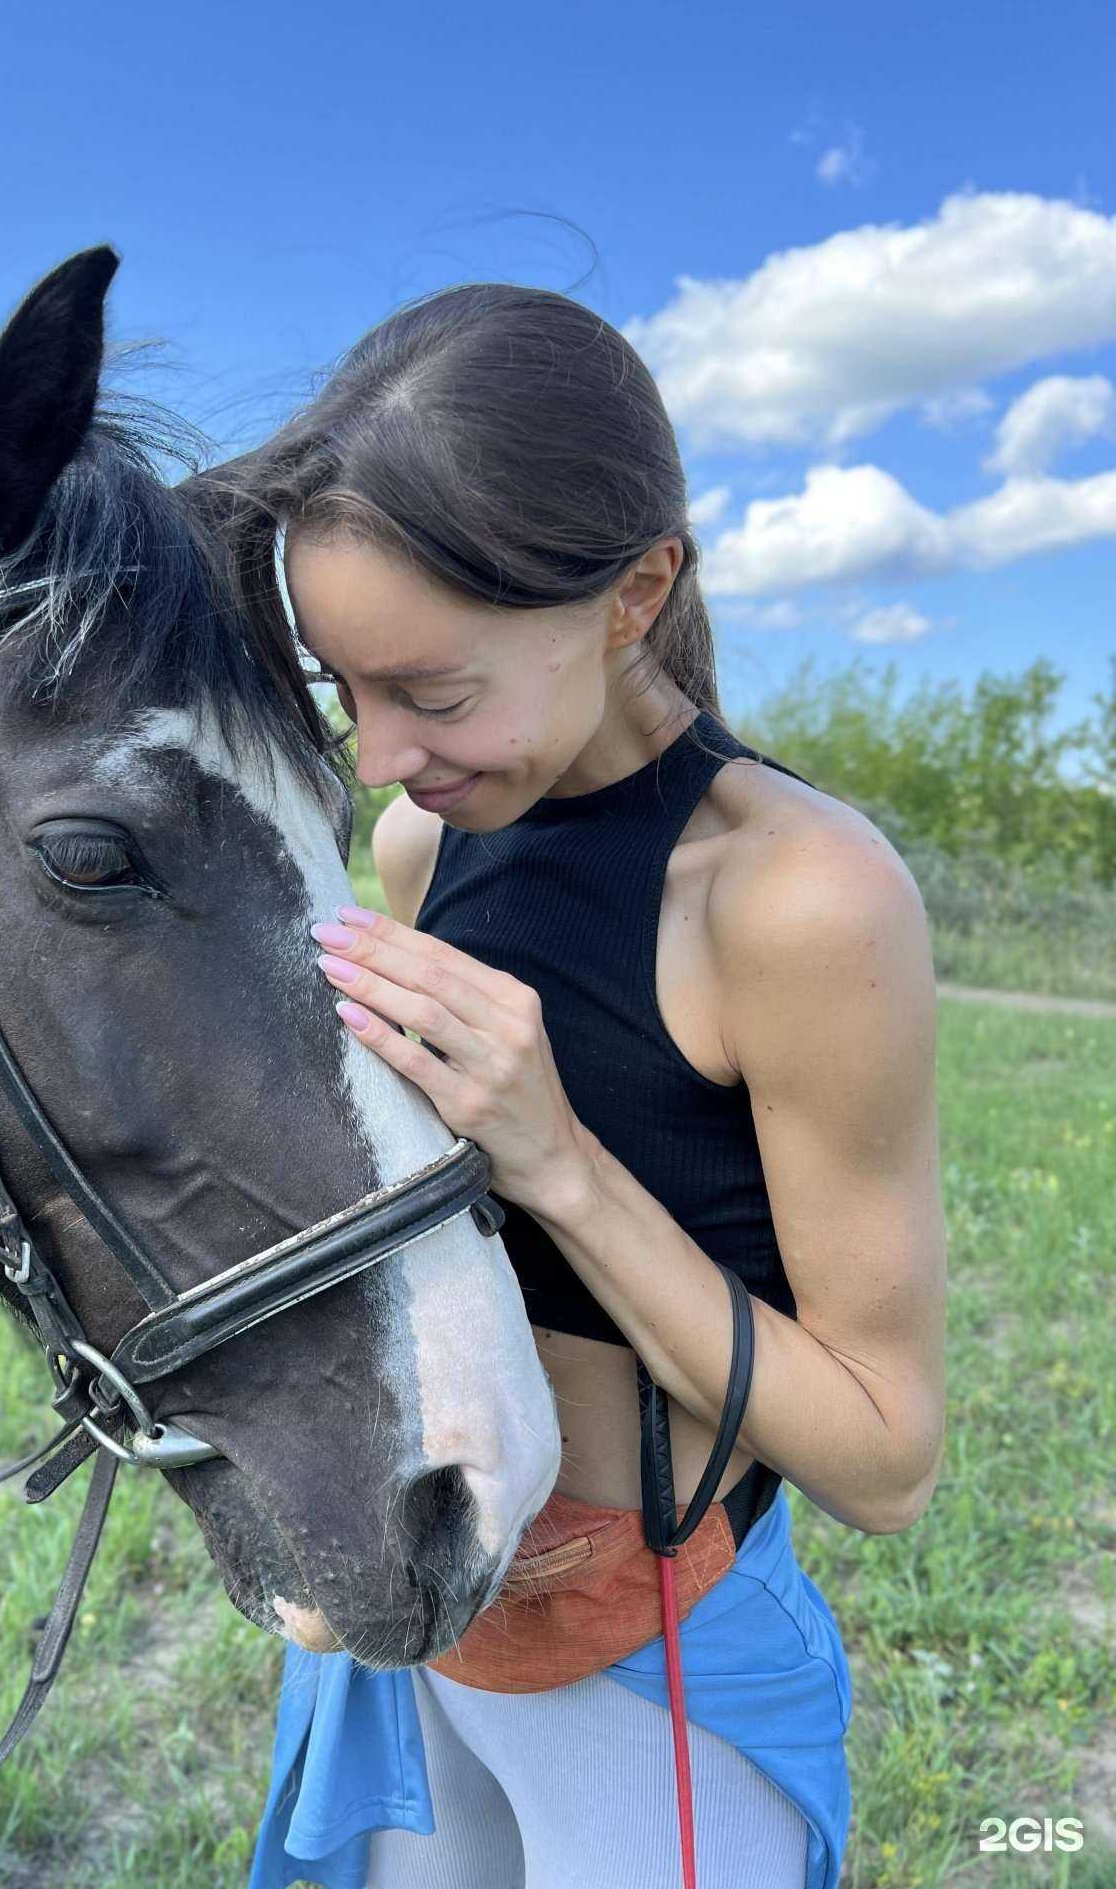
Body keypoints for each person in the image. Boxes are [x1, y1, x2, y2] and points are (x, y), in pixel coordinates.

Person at [192, 284, 947, 1889]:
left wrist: (563, 1161)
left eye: (437, 693)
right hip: (414, 1624)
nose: (381, 756)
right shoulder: (424, 841)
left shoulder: (797, 898)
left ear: (634, 592)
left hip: (649, 1668)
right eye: (349, 692)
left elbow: (887, 1458)